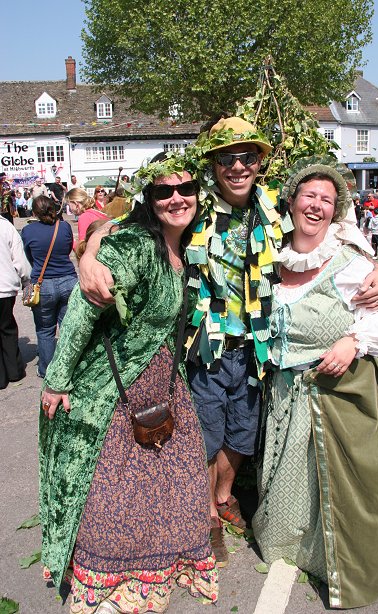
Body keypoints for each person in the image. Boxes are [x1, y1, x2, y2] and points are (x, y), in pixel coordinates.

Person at [76, 117, 378, 567]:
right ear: (214, 165)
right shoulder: (195, 206)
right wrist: (90, 253)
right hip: (207, 349)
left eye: (247, 157)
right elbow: (119, 223)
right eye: (227, 158)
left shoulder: (275, 206)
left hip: (260, 350)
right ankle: (204, 516)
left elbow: (335, 231)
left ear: (260, 163)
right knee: (205, 435)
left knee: (242, 435)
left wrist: (375, 266)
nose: (238, 166)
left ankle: (224, 496)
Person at [39, 158, 218, 612]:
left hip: (163, 386)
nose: (177, 198)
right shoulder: (138, 246)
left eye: (186, 188)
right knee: (113, 498)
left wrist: (96, 233)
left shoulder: (193, 240)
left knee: (171, 488)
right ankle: (110, 585)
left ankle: (152, 575)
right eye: (164, 192)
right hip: (116, 391)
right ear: (150, 200)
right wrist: (57, 379)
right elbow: (84, 309)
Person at [252, 160, 378, 609]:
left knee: (332, 486)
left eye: (326, 199)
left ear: (336, 209)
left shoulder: (348, 263)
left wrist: (352, 339)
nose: (317, 205)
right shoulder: (270, 256)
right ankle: (292, 550)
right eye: (309, 196)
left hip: (329, 394)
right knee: (290, 485)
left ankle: (334, 564)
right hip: (284, 393)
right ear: (291, 201)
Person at [21, 196, 77, 377]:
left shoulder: (28, 230)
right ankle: (71, 366)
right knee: (69, 326)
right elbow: (68, 249)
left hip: (43, 283)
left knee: (45, 329)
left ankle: (47, 370)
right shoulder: (65, 226)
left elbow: (28, 256)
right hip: (68, 279)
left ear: (35, 212)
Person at [0, 215, 30, 389]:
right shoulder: (6, 227)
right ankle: (14, 370)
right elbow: (19, 258)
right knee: (7, 327)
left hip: (5, 286)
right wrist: (25, 279)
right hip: (5, 286)